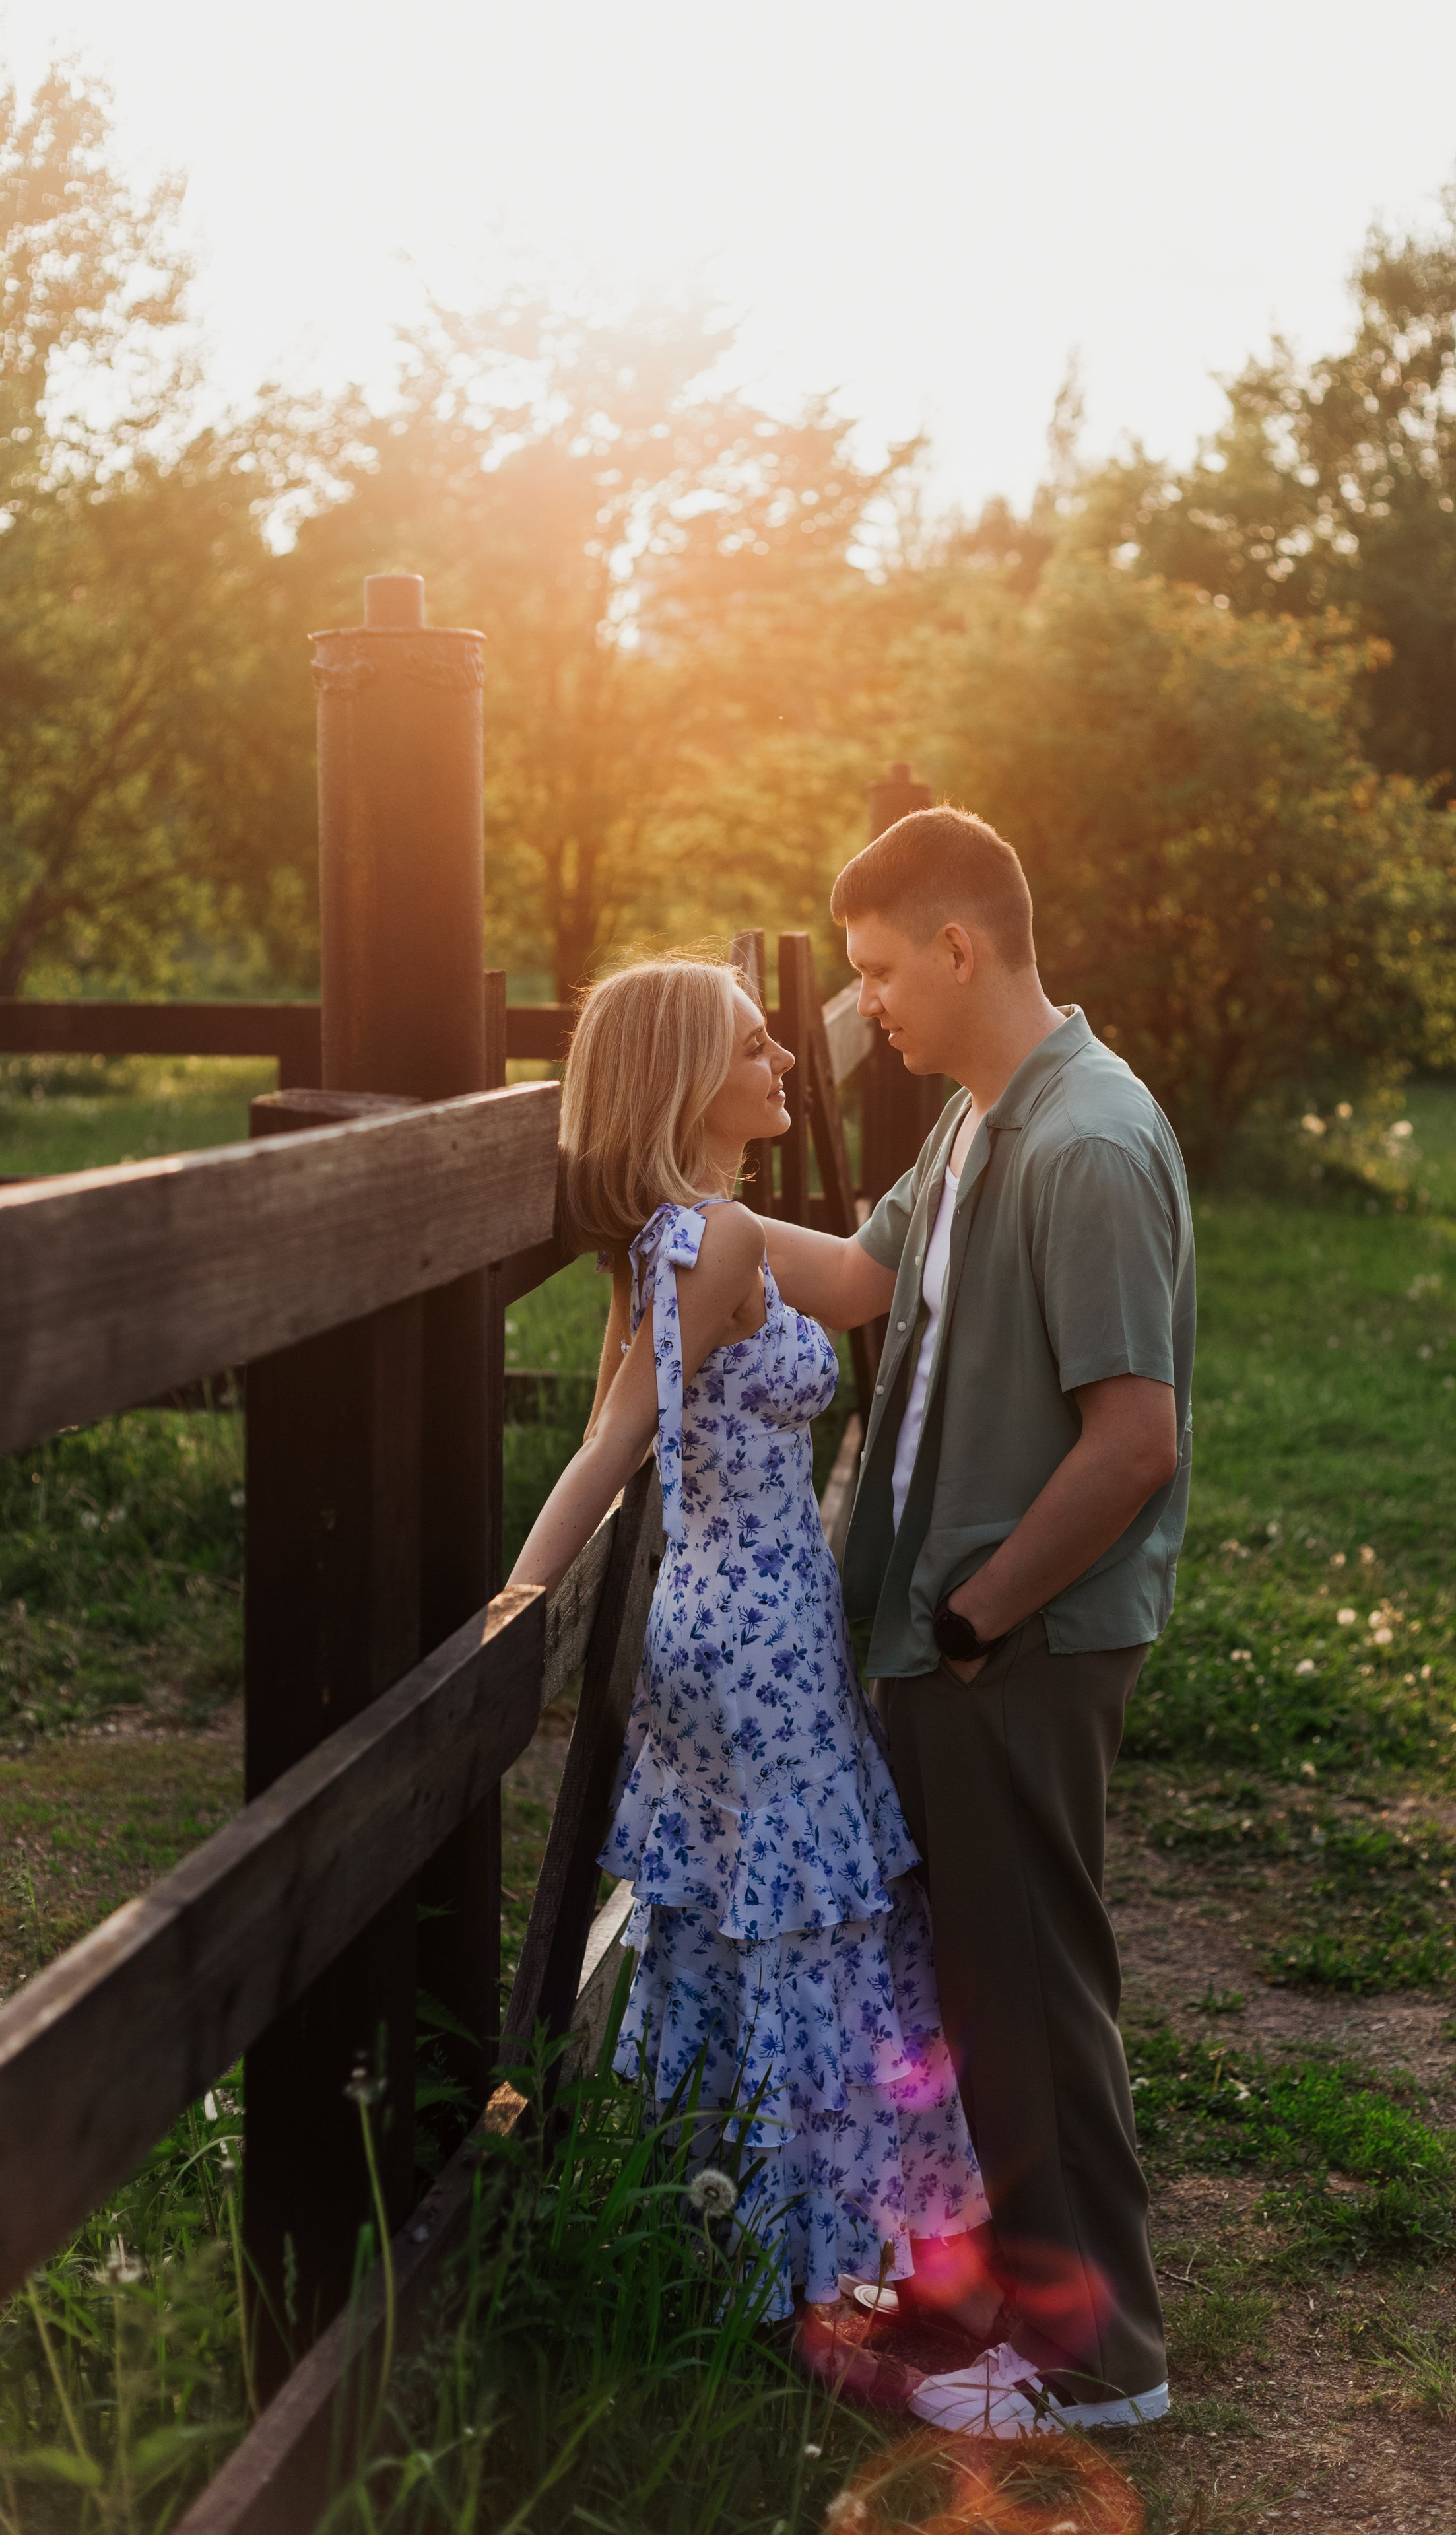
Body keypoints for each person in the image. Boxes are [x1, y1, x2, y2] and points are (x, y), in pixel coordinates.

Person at [759, 806, 1195, 2437]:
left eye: (877, 970)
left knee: (1026, 1990)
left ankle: (1099, 2364)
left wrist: (972, 1616)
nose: (865, 1002)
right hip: (957, 1635)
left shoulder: (1084, 1144)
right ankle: (1003, 2299)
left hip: (1015, 1643)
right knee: (973, 1987)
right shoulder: (973, 1121)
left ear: (956, 947)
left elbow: (1133, 1441)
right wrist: (676, 1211)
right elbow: (855, 1282)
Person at [506, 954, 988, 2336]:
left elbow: (854, 1287)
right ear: (682, 1081)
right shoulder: (707, 1242)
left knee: (757, 1927)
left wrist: (976, 1125)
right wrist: (520, 1596)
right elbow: (613, 1442)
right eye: (753, 1047)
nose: (783, 1062)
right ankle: (796, 2268)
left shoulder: (690, 1234)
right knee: (806, 1931)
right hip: (755, 1632)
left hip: (740, 1624)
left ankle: (735, 2239)